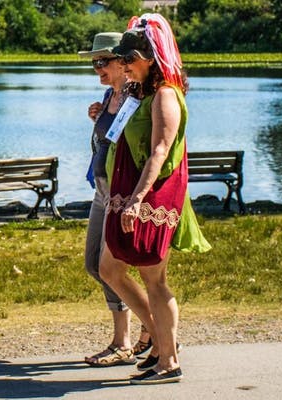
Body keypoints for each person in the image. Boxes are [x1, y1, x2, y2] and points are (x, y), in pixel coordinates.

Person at [98, 13, 211, 385]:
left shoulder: (165, 94)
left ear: (150, 58)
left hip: (157, 192)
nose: (122, 66)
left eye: (128, 59)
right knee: (110, 268)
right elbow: (118, 136)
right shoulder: (139, 92)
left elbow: (160, 150)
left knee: (154, 278)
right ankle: (158, 341)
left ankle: (169, 359)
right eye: (122, 60)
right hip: (130, 190)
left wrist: (136, 199)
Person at [78, 32, 146, 367]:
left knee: (110, 268)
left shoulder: (137, 97)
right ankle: (149, 326)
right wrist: (98, 117)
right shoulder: (109, 96)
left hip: (121, 193)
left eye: (103, 61)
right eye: (95, 62)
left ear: (123, 61)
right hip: (101, 190)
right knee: (94, 264)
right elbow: (108, 138)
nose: (98, 68)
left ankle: (127, 340)